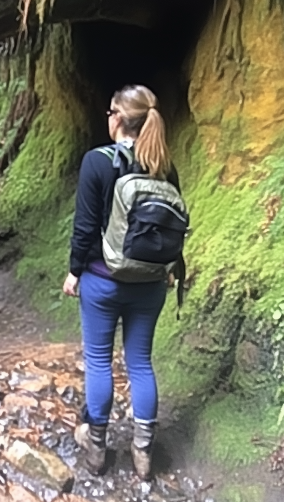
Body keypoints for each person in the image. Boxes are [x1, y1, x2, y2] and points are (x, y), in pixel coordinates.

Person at [63, 84, 181, 480]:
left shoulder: (97, 162)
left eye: (110, 113)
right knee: (140, 363)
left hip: (103, 280)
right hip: (149, 284)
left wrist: (75, 271)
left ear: (116, 117)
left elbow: (84, 227)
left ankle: (97, 448)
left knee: (98, 360)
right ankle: (143, 453)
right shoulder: (165, 167)